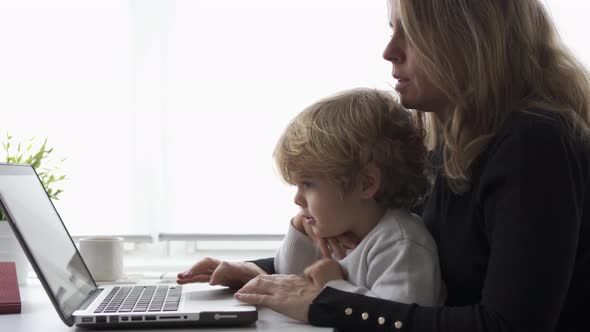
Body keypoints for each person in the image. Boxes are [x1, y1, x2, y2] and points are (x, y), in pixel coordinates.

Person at [178, 0, 590, 331]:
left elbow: (507, 324)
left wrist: (323, 304)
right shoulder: (449, 144)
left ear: (466, 40)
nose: (389, 51)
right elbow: (368, 251)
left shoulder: (536, 141)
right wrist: (257, 273)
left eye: (409, 33)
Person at [271, 88, 444, 306]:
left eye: (308, 184)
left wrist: (333, 286)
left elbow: (399, 318)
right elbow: (288, 276)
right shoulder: (340, 228)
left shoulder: (401, 245)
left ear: (366, 184)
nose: (297, 199)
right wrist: (300, 229)